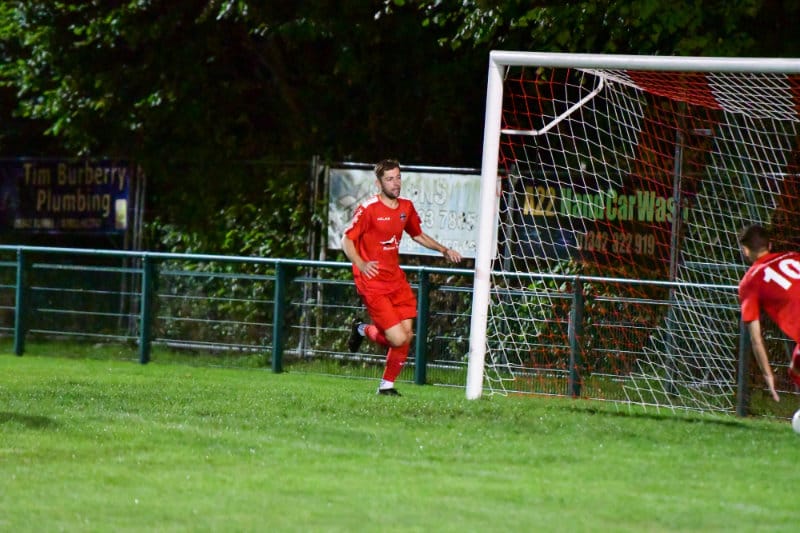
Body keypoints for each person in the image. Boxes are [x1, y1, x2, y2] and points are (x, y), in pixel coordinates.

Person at [341, 158, 462, 395]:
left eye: (398, 177)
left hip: (395, 280)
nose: (395, 183)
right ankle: (362, 329)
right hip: (372, 282)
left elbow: (417, 234)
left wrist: (444, 250)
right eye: (389, 179)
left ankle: (387, 386)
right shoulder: (368, 209)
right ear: (378, 183)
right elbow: (346, 240)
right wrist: (361, 264)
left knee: (406, 336)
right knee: (397, 339)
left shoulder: (406, 207)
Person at [737, 224, 800, 403]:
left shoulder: (750, 281)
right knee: (796, 367)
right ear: (770, 245)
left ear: (745, 250)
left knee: (796, 370)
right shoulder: (793, 256)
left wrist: (768, 375)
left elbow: (756, 338)